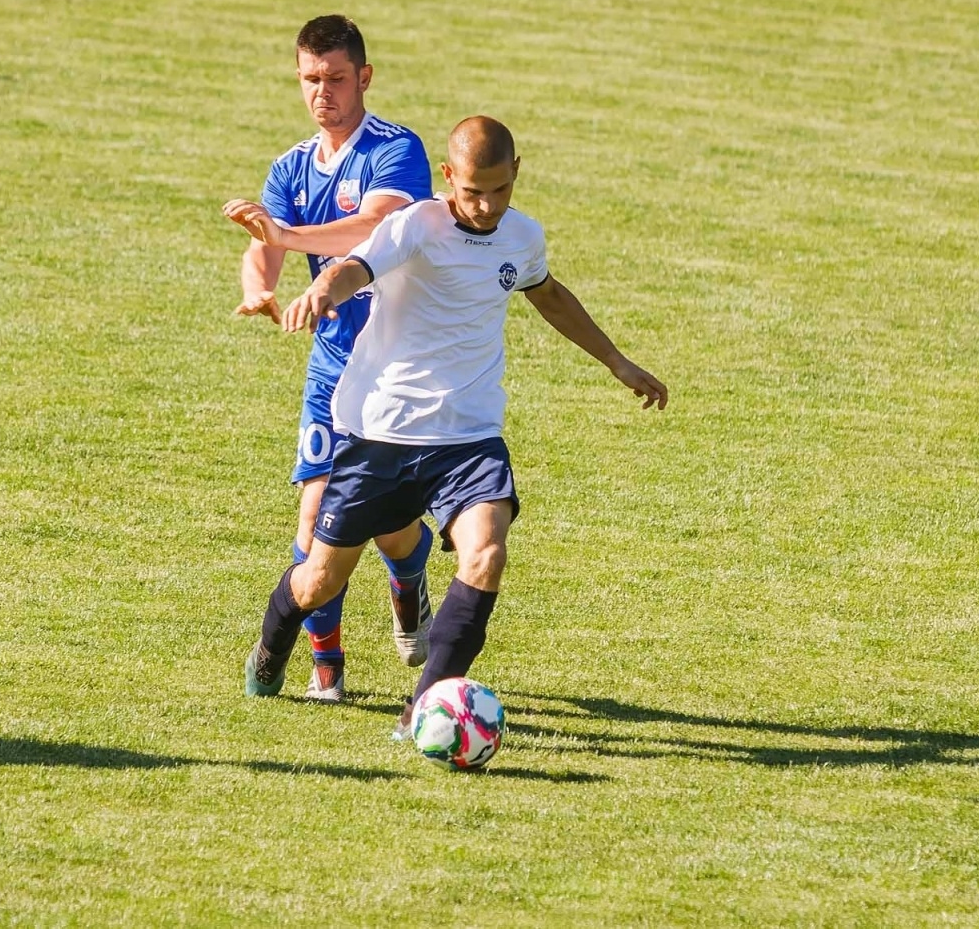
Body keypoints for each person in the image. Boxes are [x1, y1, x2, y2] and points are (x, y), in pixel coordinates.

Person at [239, 116, 668, 736]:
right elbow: (354, 267)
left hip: (469, 437)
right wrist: (324, 291)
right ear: (449, 179)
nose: (487, 205)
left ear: (516, 173)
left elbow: (547, 294)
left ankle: (425, 707)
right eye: (473, 192)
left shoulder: (521, 236)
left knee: (487, 554)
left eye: (499, 189)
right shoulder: (415, 225)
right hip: (381, 434)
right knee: (318, 579)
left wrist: (618, 362)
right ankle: (272, 646)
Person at [222, 15, 437, 704]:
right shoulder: (289, 167)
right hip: (332, 369)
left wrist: (286, 232)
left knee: (391, 528)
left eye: (336, 78)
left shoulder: (394, 149)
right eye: (311, 80)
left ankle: (410, 588)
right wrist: (260, 286)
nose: (323, 93)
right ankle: (327, 671)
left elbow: (372, 227)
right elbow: (266, 245)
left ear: (364, 78)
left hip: (400, 370)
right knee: (315, 519)